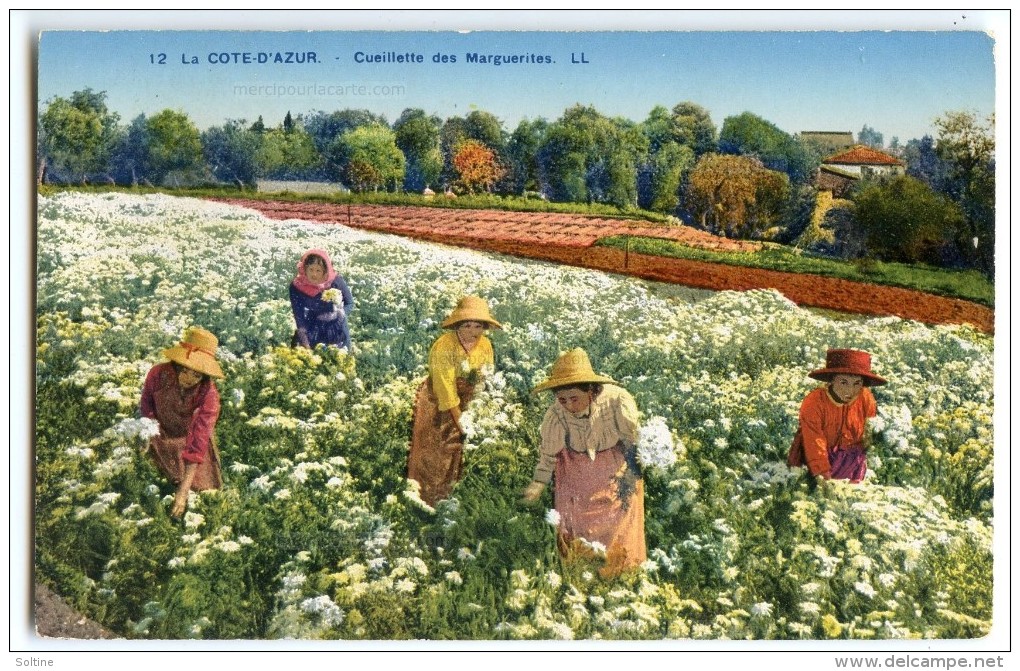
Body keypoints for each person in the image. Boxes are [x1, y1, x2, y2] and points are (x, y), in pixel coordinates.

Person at [522, 348, 646, 576]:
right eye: (562, 399)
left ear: (590, 390)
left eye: (574, 399)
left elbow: (633, 442)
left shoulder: (617, 401)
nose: (569, 405)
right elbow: (548, 454)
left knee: (620, 525)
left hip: (614, 467)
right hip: (575, 472)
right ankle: (579, 576)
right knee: (575, 528)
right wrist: (538, 484)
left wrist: (632, 472)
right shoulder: (556, 414)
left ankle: (621, 576)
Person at [406, 296, 501, 507]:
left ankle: (452, 503)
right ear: (458, 325)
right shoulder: (444, 346)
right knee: (434, 455)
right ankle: (425, 504)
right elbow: (445, 390)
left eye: (479, 326)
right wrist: (463, 424)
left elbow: (485, 378)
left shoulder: (485, 344)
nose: (473, 331)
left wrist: (480, 410)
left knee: (459, 456)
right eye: (467, 325)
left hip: (468, 402)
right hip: (438, 404)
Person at [140, 327, 225, 517]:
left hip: (189, 439)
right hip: (159, 433)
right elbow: (147, 408)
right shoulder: (158, 374)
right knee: (153, 481)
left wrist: (183, 492)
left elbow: (198, 439)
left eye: (197, 375)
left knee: (203, 495)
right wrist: (146, 437)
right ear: (177, 365)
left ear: (204, 376)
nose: (189, 379)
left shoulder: (209, 395)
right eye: (185, 371)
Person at [794, 348, 886, 483]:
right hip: (814, 459)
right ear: (832, 380)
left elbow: (867, 435)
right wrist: (823, 475)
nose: (850, 390)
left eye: (857, 383)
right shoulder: (814, 401)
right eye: (843, 382)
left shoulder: (866, 398)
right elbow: (813, 440)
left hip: (851, 460)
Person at [289, 248, 355, 350]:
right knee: (307, 360)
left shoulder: (335, 281)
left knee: (338, 360)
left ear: (325, 271)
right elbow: (299, 315)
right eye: (311, 269)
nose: (314, 274)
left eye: (318, 270)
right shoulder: (297, 286)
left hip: (336, 328)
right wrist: (305, 341)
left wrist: (339, 314)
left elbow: (349, 303)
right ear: (304, 268)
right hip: (312, 326)